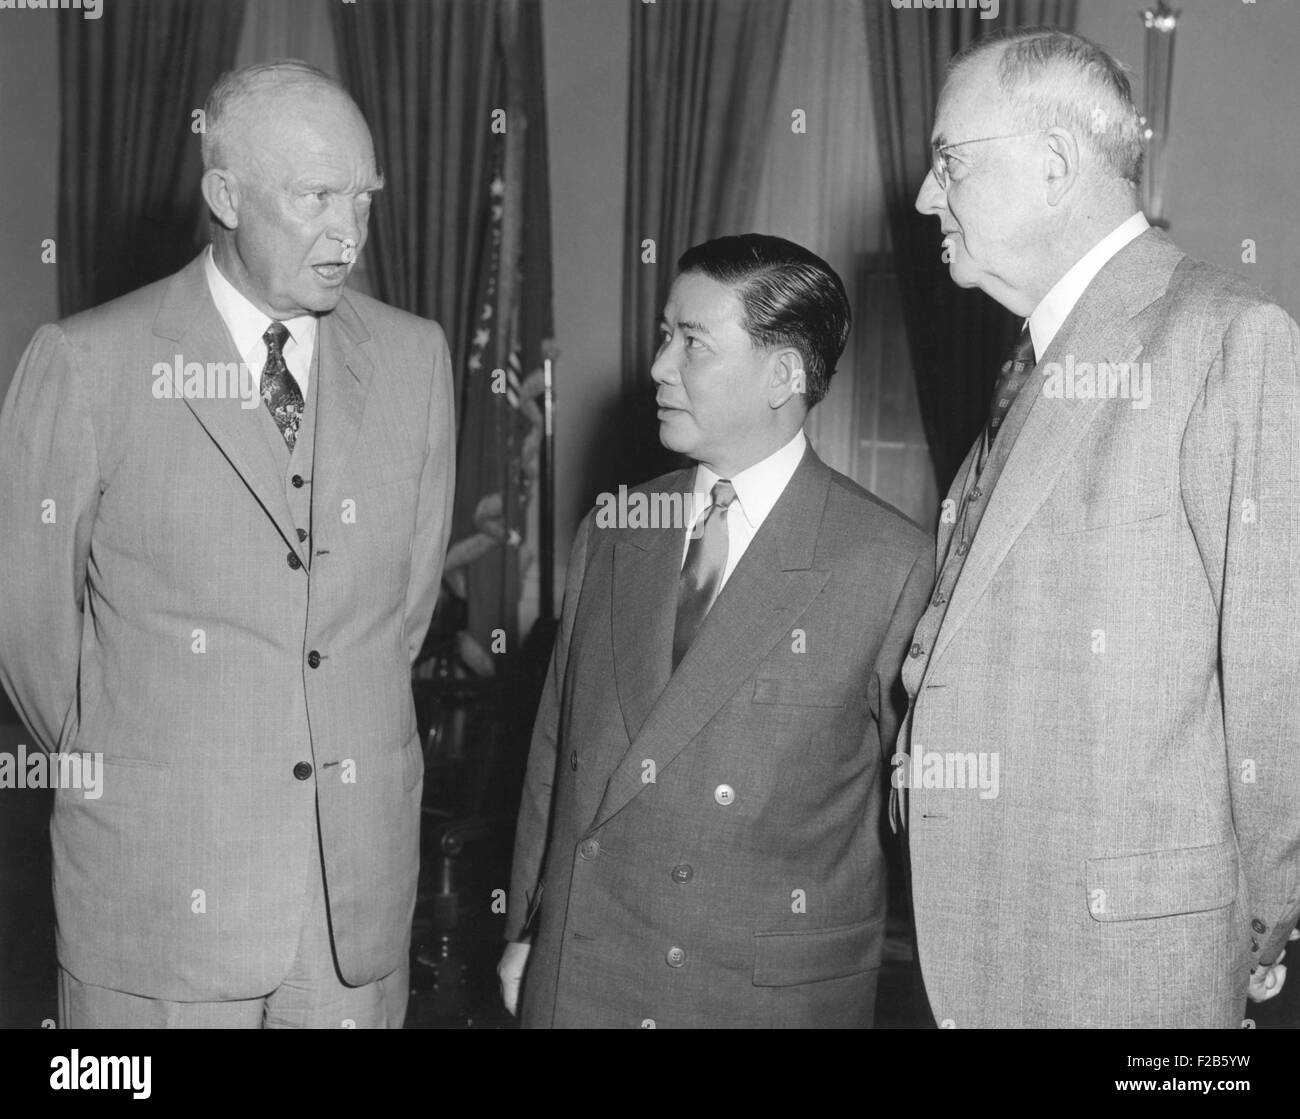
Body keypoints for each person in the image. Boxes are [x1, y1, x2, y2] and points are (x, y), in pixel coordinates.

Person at [0, 60, 455, 1028]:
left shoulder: (415, 361)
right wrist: (133, 762)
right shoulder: (87, 363)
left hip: (350, 913)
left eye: (364, 198)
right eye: (316, 197)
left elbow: (398, 619)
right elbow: (27, 630)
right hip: (155, 904)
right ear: (224, 195)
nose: (349, 231)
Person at [904, 27, 1300, 1028]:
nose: (921, 198)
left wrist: (1272, 900)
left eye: (947, 162)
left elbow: (1275, 663)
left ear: (1053, 165)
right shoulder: (1030, 364)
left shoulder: (1227, 336)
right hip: (995, 928)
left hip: (1126, 964)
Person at [498, 234, 933, 1028]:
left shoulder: (889, 563)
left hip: (753, 998)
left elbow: (928, 819)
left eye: (692, 342)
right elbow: (554, 757)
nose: (660, 365)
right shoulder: (615, 526)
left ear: (783, 374)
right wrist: (529, 928)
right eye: (666, 334)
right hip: (582, 979)